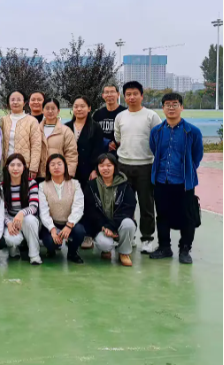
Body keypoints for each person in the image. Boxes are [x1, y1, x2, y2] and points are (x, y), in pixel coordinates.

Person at [149, 93, 203, 264]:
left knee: (187, 217)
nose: (171, 108)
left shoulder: (192, 132)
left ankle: (185, 249)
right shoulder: (157, 131)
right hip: (161, 181)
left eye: (175, 104)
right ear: (163, 108)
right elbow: (154, 150)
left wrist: (186, 170)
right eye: (167, 105)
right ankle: (165, 247)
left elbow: (197, 156)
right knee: (162, 215)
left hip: (184, 182)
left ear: (181, 107)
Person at [114, 81, 162, 254]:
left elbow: (159, 139)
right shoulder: (120, 117)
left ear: (142, 96)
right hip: (124, 166)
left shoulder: (151, 116)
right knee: (125, 204)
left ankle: (147, 239)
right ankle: (129, 235)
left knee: (146, 204)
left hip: (146, 166)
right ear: (124, 97)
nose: (132, 97)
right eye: (128, 94)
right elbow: (118, 138)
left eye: (135, 94)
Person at [83, 154, 137, 267]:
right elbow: (90, 211)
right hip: (102, 227)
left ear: (115, 167)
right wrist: (104, 226)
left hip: (119, 224)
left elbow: (128, 208)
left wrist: (111, 226)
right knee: (104, 244)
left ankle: (124, 252)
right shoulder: (91, 186)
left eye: (109, 165)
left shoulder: (125, 185)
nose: (105, 168)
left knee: (129, 224)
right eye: (102, 165)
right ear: (97, 168)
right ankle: (106, 250)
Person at [64, 96, 104, 249]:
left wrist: (95, 170)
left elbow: (99, 150)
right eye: (76, 106)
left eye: (82, 106)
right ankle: (73, 233)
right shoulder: (66, 127)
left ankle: (88, 235)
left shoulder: (95, 127)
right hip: (70, 172)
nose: (79, 109)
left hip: (89, 172)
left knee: (88, 203)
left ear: (89, 108)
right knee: (71, 203)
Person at [38, 154, 86, 263]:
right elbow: (43, 211)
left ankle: (72, 252)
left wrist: (69, 225)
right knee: (50, 241)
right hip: (52, 223)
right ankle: (51, 249)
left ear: (65, 167)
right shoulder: (42, 186)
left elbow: (78, 206)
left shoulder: (75, 184)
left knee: (80, 231)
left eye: (59, 164)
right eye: (52, 165)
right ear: (48, 168)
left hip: (69, 223)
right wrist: (52, 229)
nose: (56, 167)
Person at [2, 154, 41, 265]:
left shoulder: (31, 183)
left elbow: (34, 206)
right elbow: (1, 211)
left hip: (27, 218)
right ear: (7, 167)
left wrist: (21, 213)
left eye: (19, 165)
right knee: (12, 240)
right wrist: (9, 223)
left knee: (30, 220)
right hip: (10, 219)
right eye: (12, 165)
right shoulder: (2, 186)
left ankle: (34, 255)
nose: (15, 168)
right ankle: (14, 248)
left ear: (24, 167)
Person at [2, 91, 42, 180]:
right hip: (6, 165)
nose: (15, 102)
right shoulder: (2, 120)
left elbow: (36, 146)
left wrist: (33, 168)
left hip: (24, 166)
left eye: (19, 100)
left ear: (24, 103)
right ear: (8, 103)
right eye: (12, 100)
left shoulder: (32, 121)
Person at [38, 98, 78, 181]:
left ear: (58, 111)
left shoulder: (66, 131)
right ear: (42, 110)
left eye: (53, 108)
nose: (50, 111)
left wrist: (69, 174)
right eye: (47, 108)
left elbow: (71, 154)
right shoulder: (36, 130)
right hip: (39, 175)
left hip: (58, 175)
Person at [93, 84, 126, 154]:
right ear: (103, 95)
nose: (109, 95)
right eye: (106, 92)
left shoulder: (125, 113)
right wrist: (106, 143)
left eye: (112, 92)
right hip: (102, 153)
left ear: (118, 94)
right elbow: (93, 133)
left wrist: (116, 143)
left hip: (121, 153)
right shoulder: (97, 114)